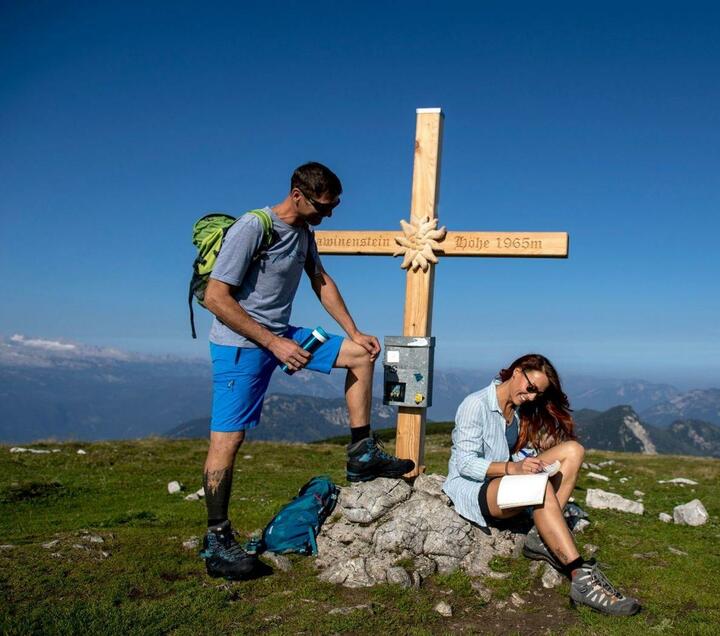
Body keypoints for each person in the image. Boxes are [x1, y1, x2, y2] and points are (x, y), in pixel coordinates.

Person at [199, 162, 414, 580]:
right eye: (322, 206)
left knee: (359, 354)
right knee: (228, 438)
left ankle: (361, 453)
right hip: (239, 344)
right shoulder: (252, 227)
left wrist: (354, 331)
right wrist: (274, 342)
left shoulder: (303, 233)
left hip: (281, 333)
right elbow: (215, 297)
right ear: (297, 194)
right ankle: (216, 539)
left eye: (333, 207)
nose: (328, 214)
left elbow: (320, 280)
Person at [442, 354, 641, 616]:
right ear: (516, 372)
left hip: (504, 479)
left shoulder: (516, 408)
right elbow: (466, 464)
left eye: (539, 393)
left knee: (573, 450)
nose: (533, 396)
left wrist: (529, 461)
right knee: (539, 486)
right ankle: (579, 576)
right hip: (474, 486)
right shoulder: (475, 405)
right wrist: (514, 469)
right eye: (531, 388)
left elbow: (511, 451)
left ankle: (541, 535)